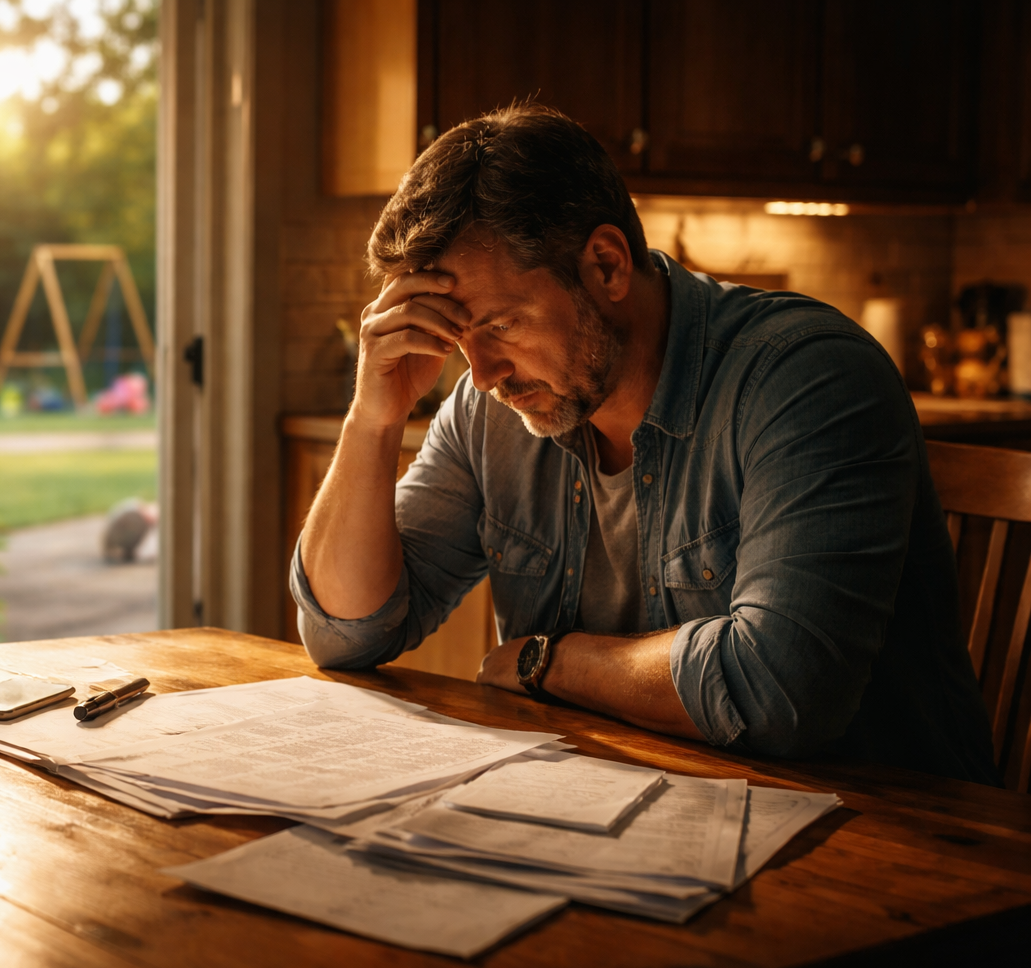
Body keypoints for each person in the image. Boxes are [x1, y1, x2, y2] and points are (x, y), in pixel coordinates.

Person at [292, 103, 999, 785]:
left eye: (503, 325)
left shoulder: (807, 379)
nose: (480, 375)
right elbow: (345, 634)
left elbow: (781, 694)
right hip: (627, 805)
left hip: (886, 841)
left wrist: (546, 662)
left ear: (605, 265)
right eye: (458, 339)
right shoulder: (494, 407)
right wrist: (374, 417)